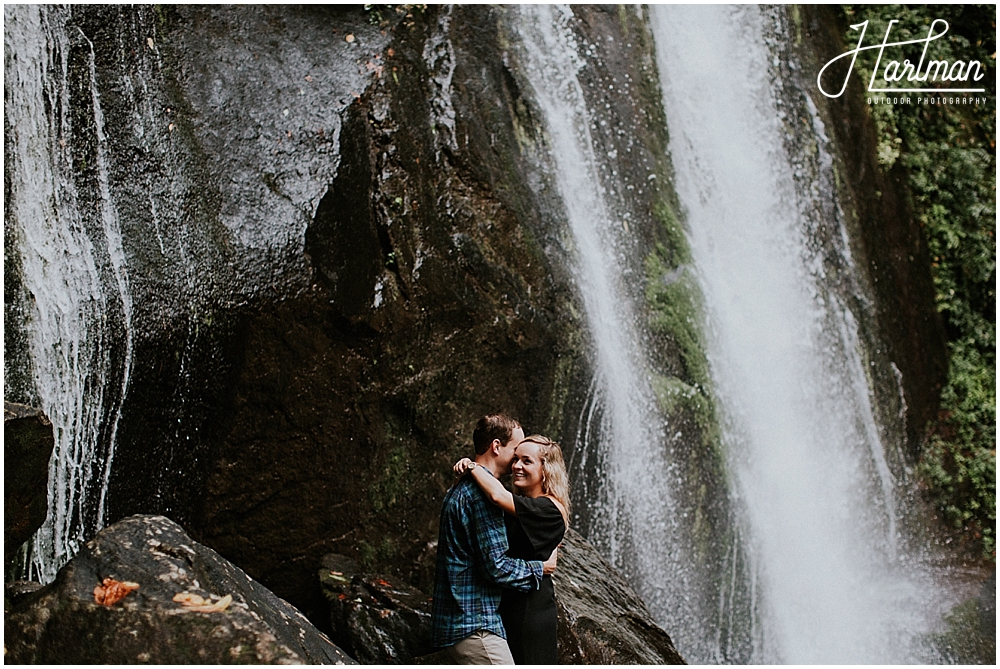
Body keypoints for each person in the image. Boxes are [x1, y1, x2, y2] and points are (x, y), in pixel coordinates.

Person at [431, 414, 557, 664]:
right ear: (497, 446)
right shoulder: (482, 497)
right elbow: (496, 567)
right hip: (474, 623)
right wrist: (539, 568)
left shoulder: (464, 486)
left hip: (463, 619)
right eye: (515, 451)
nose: (516, 462)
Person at [453, 435, 569, 664]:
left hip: (529, 612)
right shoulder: (524, 505)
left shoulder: (548, 508)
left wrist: (474, 466)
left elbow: (497, 496)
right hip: (509, 605)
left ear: (546, 469)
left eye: (527, 461)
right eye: (515, 459)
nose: (516, 466)